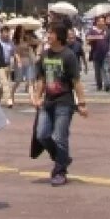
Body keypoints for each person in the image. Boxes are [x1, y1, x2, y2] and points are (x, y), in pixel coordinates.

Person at [31, 23, 88, 186]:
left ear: (59, 36)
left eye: (51, 33)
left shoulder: (68, 56)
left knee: (59, 137)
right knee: (42, 134)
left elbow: (76, 81)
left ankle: (60, 171)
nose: (48, 36)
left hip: (64, 102)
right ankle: (62, 158)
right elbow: (41, 78)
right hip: (48, 101)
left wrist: (82, 103)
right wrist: (37, 96)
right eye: (48, 33)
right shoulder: (45, 55)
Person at [86, 17, 110, 92]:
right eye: (101, 21)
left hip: (106, 54)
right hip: (96, 54)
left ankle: (107, 85)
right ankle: (99, 85)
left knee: (106, 70)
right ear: (97, 23)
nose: (103, 22)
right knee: (97, 71)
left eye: (103, 21)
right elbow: (88, 39)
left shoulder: (107, 31)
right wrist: (97, 37)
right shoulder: (92, 31)